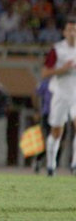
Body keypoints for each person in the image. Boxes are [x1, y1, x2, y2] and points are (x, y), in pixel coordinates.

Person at [41, 17, 76, 176]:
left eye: (75, 30)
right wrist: (63, 69)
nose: (72, 33)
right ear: (64, 32)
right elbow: (44, 73)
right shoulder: (57, 50)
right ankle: (51, 165)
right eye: (70, 30)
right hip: (61, 93)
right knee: (57, 131)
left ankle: (74, 164)